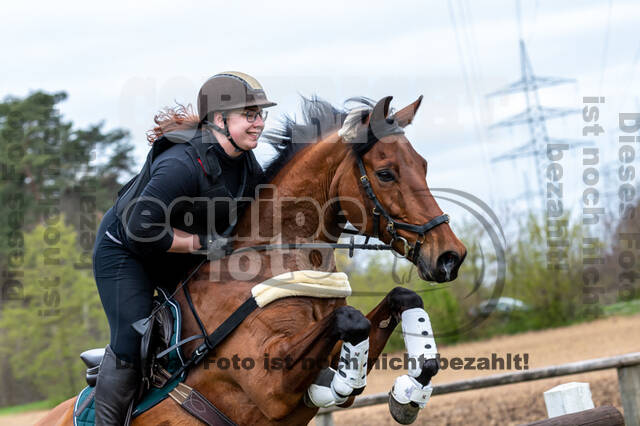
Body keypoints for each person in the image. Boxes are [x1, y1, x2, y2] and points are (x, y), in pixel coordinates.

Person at [91, 72, 276, 425]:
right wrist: (202, 243)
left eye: (260, 115)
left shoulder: (247, 168)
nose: (259, 123)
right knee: (133, 339)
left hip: (177, 254)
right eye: (250, 115)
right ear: (220, 120)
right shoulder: (180, 164)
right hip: (126, 251)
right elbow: (139, 227)